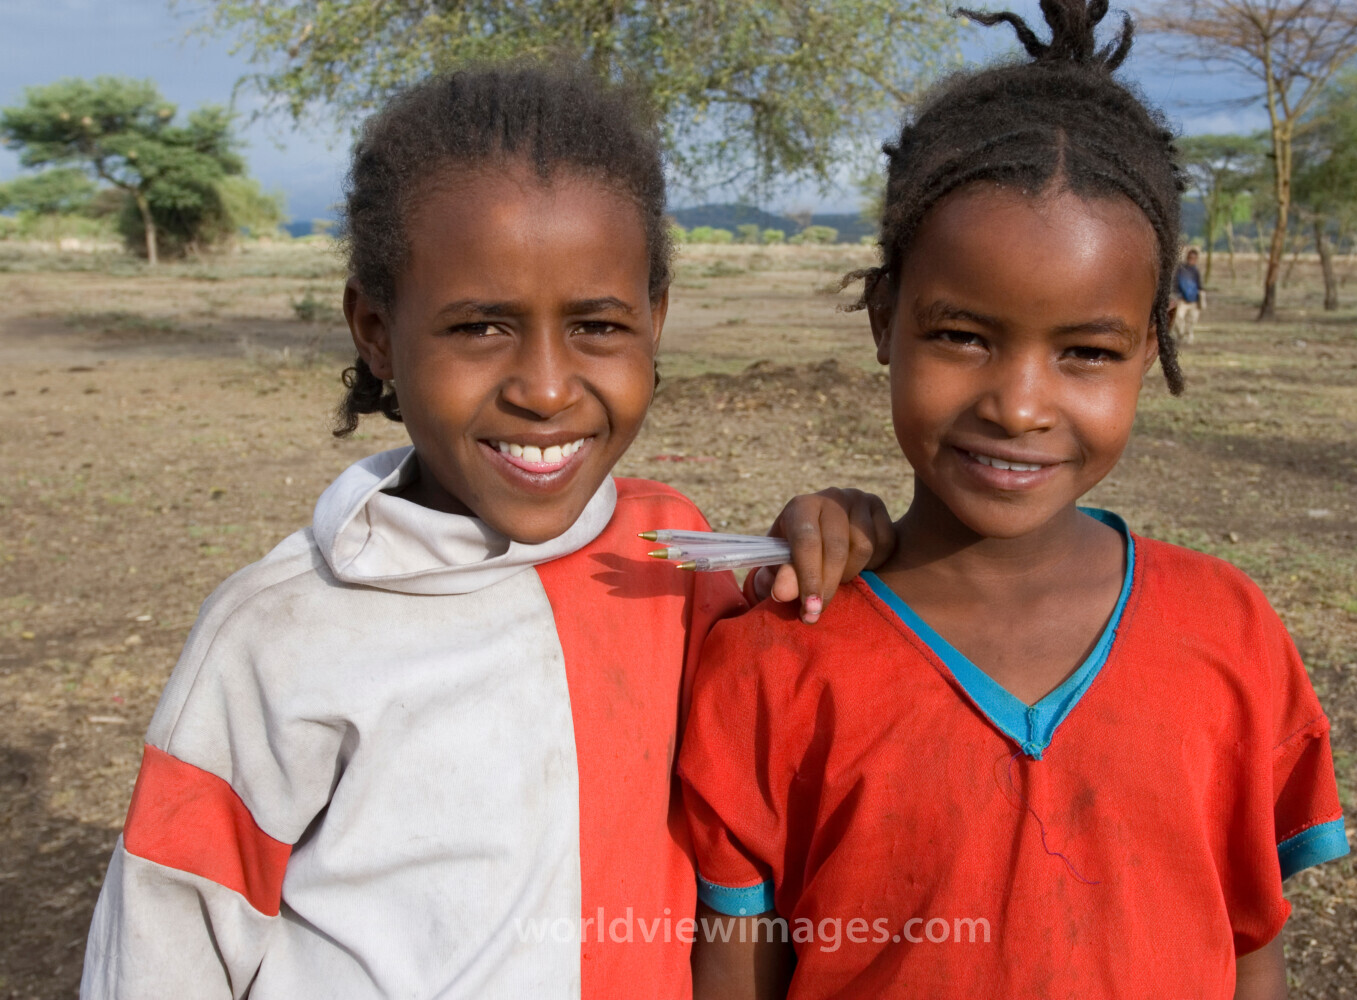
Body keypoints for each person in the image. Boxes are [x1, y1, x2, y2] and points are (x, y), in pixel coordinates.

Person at [80, 63, 892, 1000]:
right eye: (480, 328)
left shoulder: (674, 553)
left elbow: (779, 697)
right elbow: (164, 939)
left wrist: (826, 538)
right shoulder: (276, 636)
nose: (546, 388)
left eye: (596, 325)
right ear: (377, 332)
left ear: (655, 325)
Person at [679, 4, 1347, 999]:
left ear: (1152, 346)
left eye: (1085, 351)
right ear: (883, 320)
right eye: (962, 336)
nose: (1020, 404)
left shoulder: (1230, 634)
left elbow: (1247, 939)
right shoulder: (774, 657)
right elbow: (737, 972)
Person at [1172, 246, 1206, 345]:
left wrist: (1201, 297)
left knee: (1191, 320)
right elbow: (1175, 283)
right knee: (1177, 317)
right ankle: (1181, 334)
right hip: (1182, 299)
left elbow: (1199, 285)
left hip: (1194, 300)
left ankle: (1188, 337)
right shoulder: (1181, 269)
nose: (1192, 260)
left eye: (1194, 258)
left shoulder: (1196, 271)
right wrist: (1178, 295)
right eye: (1190, 257)